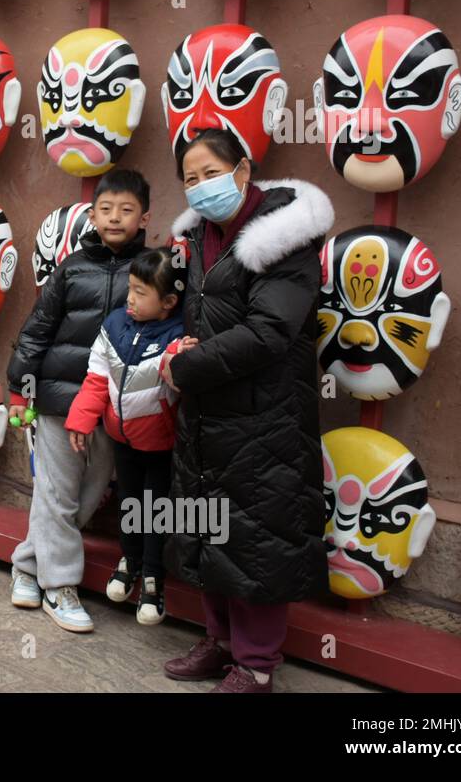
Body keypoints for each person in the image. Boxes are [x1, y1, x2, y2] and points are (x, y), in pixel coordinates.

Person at [158, 129, 333, 693]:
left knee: (257, 537)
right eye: (189, 178)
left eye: (210, 172)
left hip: (265, 416)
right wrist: (182, 351)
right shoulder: (196, 239)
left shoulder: (283, 241)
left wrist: (188, 367)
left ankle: (256, 667)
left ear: (242, 169)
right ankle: (222, 642)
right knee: (208, 528)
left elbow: (269, 332)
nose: (201, 186)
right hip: (206, 412)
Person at [6, 169, 150, 634]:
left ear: (144, 216)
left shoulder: (151, 268)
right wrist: (19, 388)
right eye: (106, 209)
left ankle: (27, 564)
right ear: (92, 215)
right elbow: (37, 330)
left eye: (126, 210)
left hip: (115, 404)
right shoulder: (71, 269)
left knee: (87, 495)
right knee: (56, 490)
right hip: (58, 399)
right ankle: (59, 585)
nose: (115, 218)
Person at [65, 247, 186, 627]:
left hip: (160, 446)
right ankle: (130, 562)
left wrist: (180, 359)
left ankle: (153, 578)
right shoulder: (115, 324)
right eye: (130, 289)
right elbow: (97, 377)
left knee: (155, 512)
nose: (130, 299)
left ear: (168, 302)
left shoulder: (179, 334)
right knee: (128, 504)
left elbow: (181, 378)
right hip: (123, 441)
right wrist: (81, 419)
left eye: (141, 293)